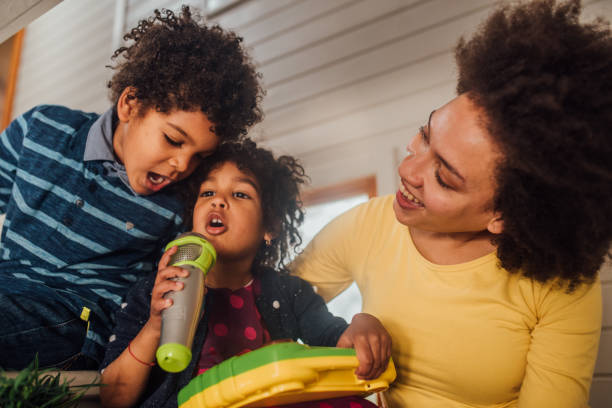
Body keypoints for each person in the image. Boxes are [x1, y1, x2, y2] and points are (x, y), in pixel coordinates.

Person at [291, 0, 612, 406]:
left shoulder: (560, 286)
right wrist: (341, 329)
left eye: (443, 176)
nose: (408, 169)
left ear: (504, 215)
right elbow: (269, 299)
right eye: (425, 135)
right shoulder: (368, 225)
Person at [0, 6, 263, 370]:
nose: (183, 165)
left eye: (199, 156)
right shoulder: (39, 129)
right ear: (129, 104)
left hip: (74, 322)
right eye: (173, 140)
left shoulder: (179, 205)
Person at [99, 140, 392, 408]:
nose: (218, 201)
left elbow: (335, 340)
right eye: (208, 192)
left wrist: (362, 323)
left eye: (240, 193)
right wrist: (154, 327)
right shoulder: (153, 292)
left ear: (270, 227)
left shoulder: (290, 292)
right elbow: (113, 399)